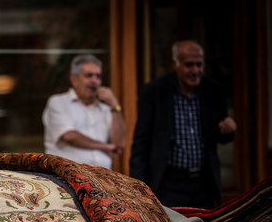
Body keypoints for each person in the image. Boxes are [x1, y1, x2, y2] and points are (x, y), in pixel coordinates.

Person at [129, 40, 237, 209]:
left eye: (199, 65)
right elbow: (141, 143)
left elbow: (219, 136)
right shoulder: (155, 91)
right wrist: (139, 189)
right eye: (189, 65)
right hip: (168, 183)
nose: (195, 71)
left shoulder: (213, 91)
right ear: (175, 64)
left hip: (203, 183)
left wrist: (228, 129)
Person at [42, 54, 127, 169]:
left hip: (101, 176)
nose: (94, 81)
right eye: (89, 75)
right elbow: (69, 136)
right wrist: (105, 147)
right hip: (65, 175)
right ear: (74, 80)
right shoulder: (58, 102)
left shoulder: (106, 109)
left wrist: (114, 105)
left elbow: (119, 143)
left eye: (98, 76)